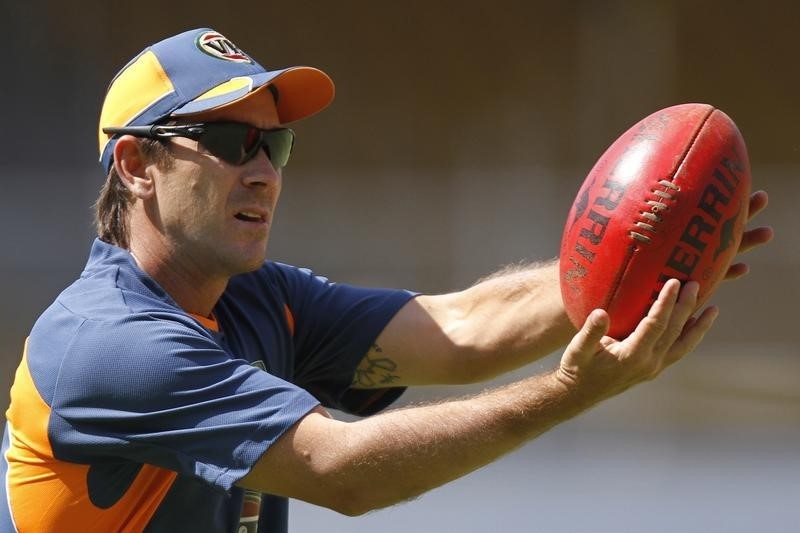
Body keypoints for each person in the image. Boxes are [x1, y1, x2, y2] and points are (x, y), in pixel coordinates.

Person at [0, 28, 772, 533]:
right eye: (233, 141)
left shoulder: (255, 297)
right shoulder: (105, 345)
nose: (265, 172)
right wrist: (570, 393)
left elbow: (463, 329)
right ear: (136, 165)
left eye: (278, 145)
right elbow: (341, 472)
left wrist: (651, 263)